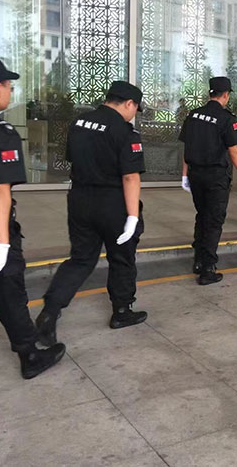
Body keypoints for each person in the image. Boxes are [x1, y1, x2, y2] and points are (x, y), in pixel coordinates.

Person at [36, 81, 148, 347]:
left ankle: (49, 311)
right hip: (113, 203)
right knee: (121, 257)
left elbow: (74, 159)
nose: (134, 114)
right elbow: (130, 177)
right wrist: (132, 217)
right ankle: (122, 311)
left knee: (81, 259)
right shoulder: (125, 132)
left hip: (80, 199)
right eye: (135, 108)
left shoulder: (79, 123)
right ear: (129, 104)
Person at [0, 59, 65, 379]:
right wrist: (2, 244)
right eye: (9, 86)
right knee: (7, 291)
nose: (10, 92)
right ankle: (30, 355)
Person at [180, 77, 237, 285]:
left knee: (202, 215)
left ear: (210, 93)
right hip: (216, 177)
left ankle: (198, 260)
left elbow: (187, 147)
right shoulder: (227, 118)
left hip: (195, 174)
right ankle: (208, 269)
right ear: (226, 95)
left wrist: (184, 174)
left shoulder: (193, 115)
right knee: (214, 221)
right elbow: (233, 151)